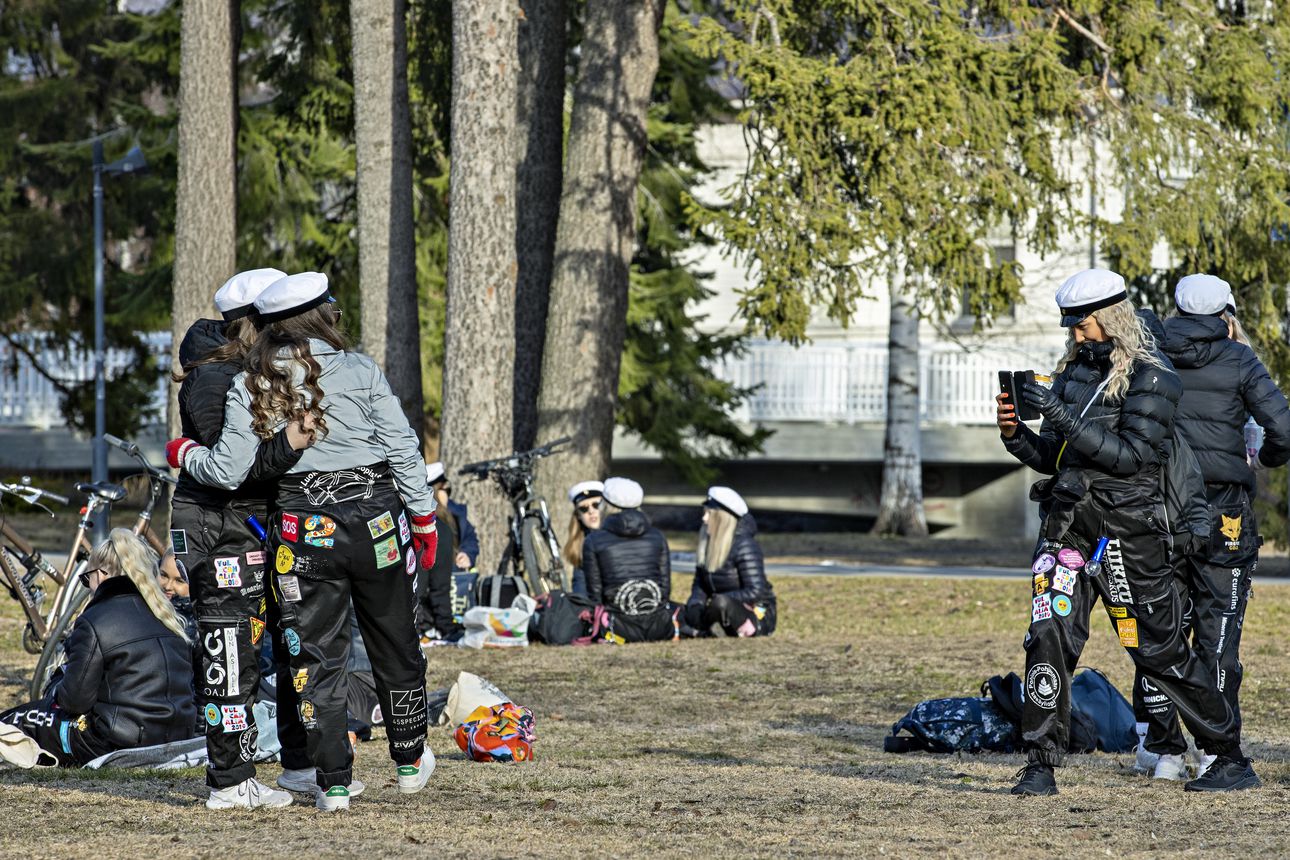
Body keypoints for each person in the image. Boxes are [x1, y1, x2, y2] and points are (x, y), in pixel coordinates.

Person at [168, 271, 438, 812]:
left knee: (312, 655)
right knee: (390, 637)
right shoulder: (353, 368)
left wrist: (186, 454)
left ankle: (328, 779)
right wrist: (425, 519)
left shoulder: (256, 379)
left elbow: (234, 467)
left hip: (296, 529)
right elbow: (403, 447)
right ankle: (405, 756)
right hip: (346, 522)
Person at [996, 268, 1253, 795]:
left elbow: (1131, 456)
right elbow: (1054, 457)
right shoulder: (1072, 373)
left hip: (1129, 532)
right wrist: (1018, 435)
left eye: (1083, 324)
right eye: (1069, 326)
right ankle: (1040, 761)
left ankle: (1228, 755)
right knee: (1047, 634)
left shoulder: (1155, 377)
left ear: (1112, 318)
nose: (1075, 335)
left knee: (1159, 653)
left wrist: (1061, 416)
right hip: (1068, 525)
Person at [168, 268, 317, 809]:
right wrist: (292, 446)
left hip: (264, 527)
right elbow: (233, 470)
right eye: (280, 319)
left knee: (289, 644)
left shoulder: (258, 370)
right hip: (222, 532)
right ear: (253, 323)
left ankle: (300, 767)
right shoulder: (215, 378)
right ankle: (230, 781)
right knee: (230, 649)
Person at [1132, 274, 1290, 780]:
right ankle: (1220, 751)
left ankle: (1163, 750)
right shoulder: (1239, 358)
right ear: (1226, 313)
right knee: (1218, 632)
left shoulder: (1150, 354)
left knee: (1160, 628)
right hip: (1224, 509)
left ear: (1176, 309)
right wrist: (1261, 457)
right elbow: (1283, 429)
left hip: (1161, 509)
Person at [0, 531, 196, 767]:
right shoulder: (167, 614)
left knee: (15, 719)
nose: (89, 588)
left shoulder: (95, 620)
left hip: (118, 741)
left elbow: (74, 702)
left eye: (87, 579)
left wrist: (56, 685)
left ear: (102, 575)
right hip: (177, 737)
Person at [581, 477, 675, 642]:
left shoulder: (593, 541)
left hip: (616, 630)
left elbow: (595, 595)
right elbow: (665, 590)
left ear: (607, 505)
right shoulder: (658, 537)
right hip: (659, 628)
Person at [682, 487, 776, 638]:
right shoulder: (708, 543)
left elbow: (755, 591)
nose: (704, 519)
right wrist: (696, 604)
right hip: (716, 607)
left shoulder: (745, 545)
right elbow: (700, 583)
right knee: (682, 610)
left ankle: (717, 628)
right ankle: (710, 628)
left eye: (709, 514)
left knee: (721, 604)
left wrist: (718, 599)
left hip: (753, 612)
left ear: (722, 518)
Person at [417, 470, 464, 644]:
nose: (449, 496)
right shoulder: (440, 528)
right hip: (421, 620)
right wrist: (447, 626)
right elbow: (439, 586)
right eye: (447, 490)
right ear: (436, 491)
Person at [426, 462, 478, 570]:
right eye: (446, 490)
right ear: (434, 493)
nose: (448, 495)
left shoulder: (454, 511)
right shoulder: (424, 522)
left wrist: (467, 554)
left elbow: (470, 536)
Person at [561, 480, 604, 595]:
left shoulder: (620, 534)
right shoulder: (581, 544)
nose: (591, 511)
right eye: (584, 509)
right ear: (578, 516)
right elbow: (580, 584)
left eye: (596, 505)